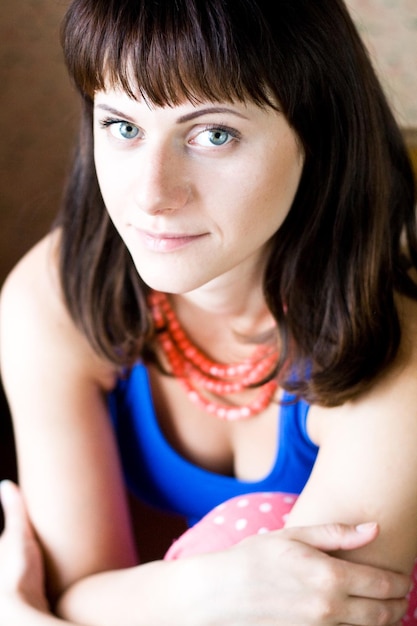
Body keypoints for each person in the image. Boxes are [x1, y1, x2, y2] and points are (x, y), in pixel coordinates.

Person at [0, 0, 416, 623]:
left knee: (258, 527)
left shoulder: (395, 346)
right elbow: (72, 593)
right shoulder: (55, 294)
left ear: (318, 138)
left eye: (214, 134)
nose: (151, 194)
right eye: (123, 126)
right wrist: (208, 592)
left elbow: (319, 610)